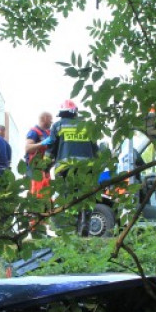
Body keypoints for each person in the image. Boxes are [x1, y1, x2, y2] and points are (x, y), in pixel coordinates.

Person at [48, 100, 99, 235]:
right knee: (86, 196)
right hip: (87, 168)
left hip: (65, 169)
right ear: (75, 113)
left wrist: (45, 164)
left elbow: (51, 148)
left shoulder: (58, 126)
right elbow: (96, 150)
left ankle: (69, 228)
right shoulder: (87, 126)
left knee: (66, 196)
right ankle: (84, 224)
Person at [24, 112, 54, 196]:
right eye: (50, 119)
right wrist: (42, 143)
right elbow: (27, 148)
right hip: (34, 169)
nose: (52, 122)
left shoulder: (49, 133)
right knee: (36, 194)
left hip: (45, 168)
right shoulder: (34, 132)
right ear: (44, 118)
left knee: (46, 194)